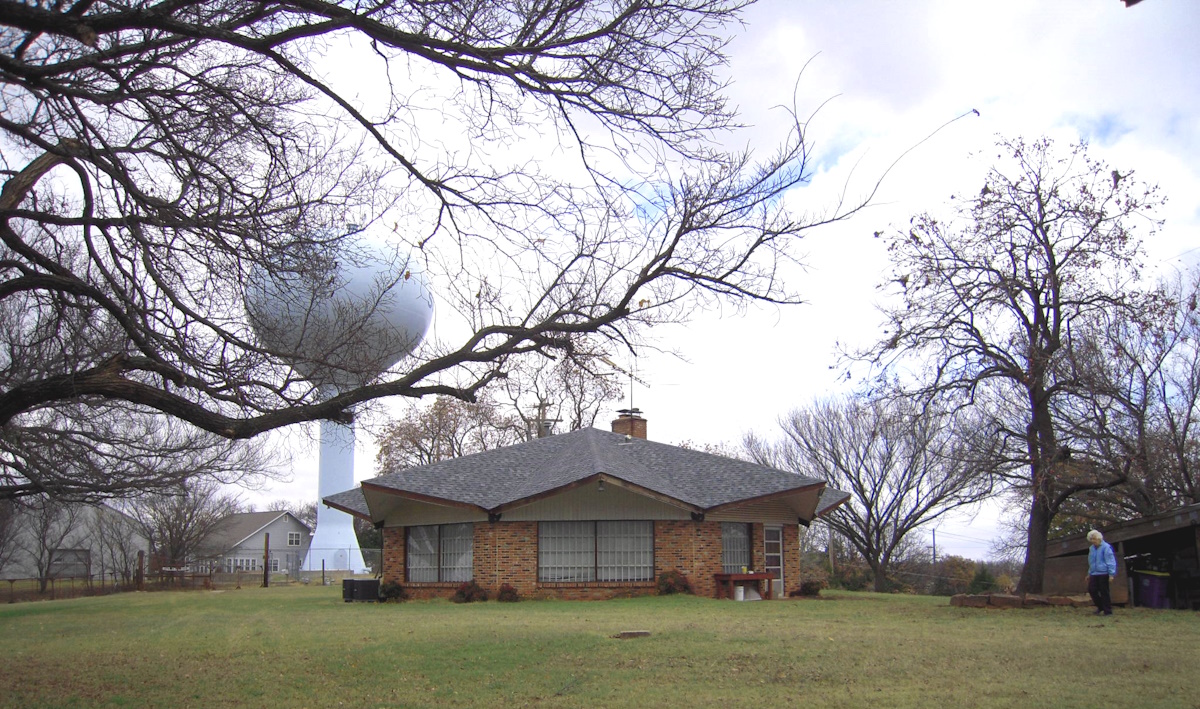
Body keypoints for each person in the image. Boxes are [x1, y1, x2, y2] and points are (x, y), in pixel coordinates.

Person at [1086, 529, 1117, 616]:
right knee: (1092, 590)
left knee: (1104, 592)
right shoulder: (1091, 548)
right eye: (1091, 539)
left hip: (1104, 573)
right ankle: (1100, 606)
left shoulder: (1106, 547)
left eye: (1094, 539)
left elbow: (1111, 561)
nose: (1093, 541)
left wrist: (1111, 574)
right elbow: (1091, 562)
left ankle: (1108, 611)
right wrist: (1089, 573)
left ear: (1099, 538)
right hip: (1094, 573)